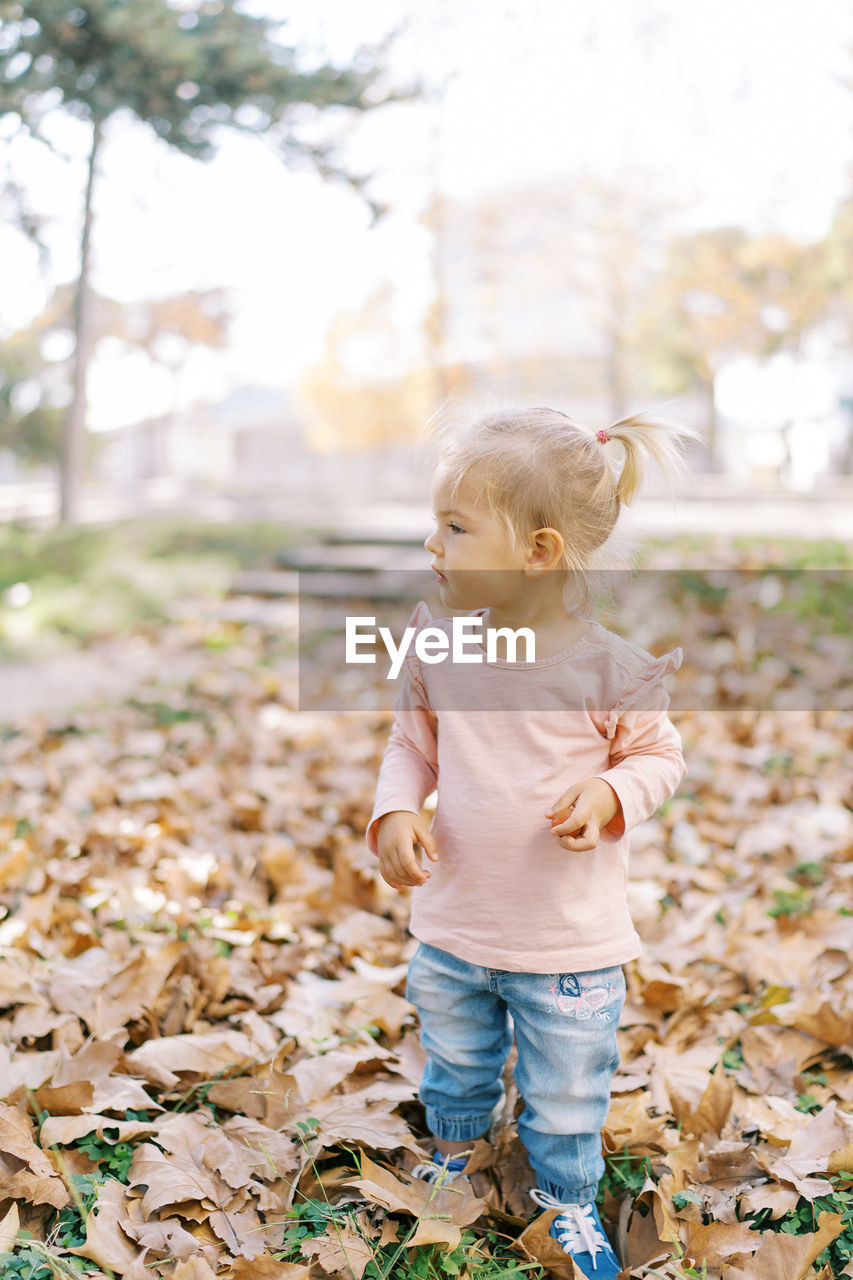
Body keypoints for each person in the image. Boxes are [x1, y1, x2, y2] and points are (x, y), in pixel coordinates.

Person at [365, 404, 697, 1278]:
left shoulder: (610, 670)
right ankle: (455, 1154)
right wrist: (396, 811)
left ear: (538, 552)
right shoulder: (436, 642)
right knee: (457, 1058)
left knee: (564, 1086)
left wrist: (612, 790)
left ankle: (566, 1201)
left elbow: (658, 755)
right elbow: (412, 743)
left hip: (565, 942)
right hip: (455, 922)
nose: (431, 545)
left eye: (455, 526)